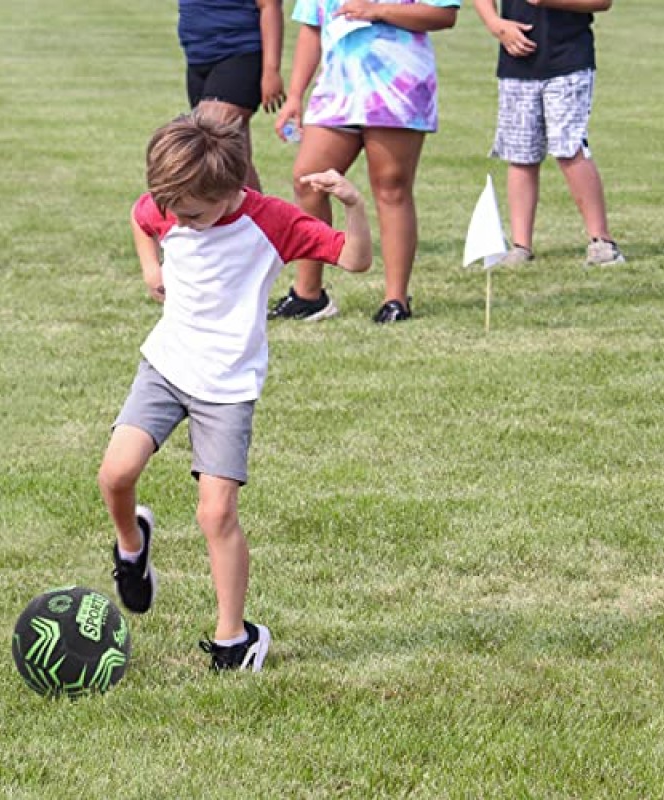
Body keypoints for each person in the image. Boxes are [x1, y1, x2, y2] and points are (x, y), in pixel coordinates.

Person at [97, 109, 372, 672]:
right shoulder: (173, 201)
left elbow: (356, 259)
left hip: (227, 387)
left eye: (191, 213)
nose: (176, 219)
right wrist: (151, 266)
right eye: (171, 209)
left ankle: (234, 637)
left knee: (215, 514)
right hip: (166, 365)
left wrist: (353, 203)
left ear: (229, 192)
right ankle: (132, 546)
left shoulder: (272, 221)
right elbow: (141, 215)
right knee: (115, 475)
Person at [269, 0, 459, 324]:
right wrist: (296, 96)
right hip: (337, 89)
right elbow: (312, 29)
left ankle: (396, 299)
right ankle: (309, 294)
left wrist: (377, 10)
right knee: (307, 180)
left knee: (391, 189)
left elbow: (444, 15)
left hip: (397, 85)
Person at [472, 0, 625, 266]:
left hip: (568, 61)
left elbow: (602, 2)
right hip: (517, 64)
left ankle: (601, 241)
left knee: (569, 149)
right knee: (521, 155)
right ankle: (521, 246)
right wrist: (496, 24)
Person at [177, 0, 286, 191]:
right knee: (234, 155)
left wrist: (271, 70)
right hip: (197, 55)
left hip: (240, 51)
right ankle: (256, 217)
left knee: (212, 138)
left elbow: (270, 6)